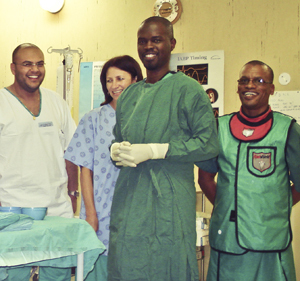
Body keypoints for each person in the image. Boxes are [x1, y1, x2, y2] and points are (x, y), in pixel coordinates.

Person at [109, 17, 219, 281]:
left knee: (168, 263)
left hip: (168, 200)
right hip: (130, 197)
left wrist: (158, 150)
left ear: (171, 43)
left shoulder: (189, 90)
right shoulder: (129, 96)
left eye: (156, 39)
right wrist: (115, 152)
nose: (149, 46)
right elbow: (119, 138)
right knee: (127, 260)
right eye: (143, 41)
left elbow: (208, 144)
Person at [198, 60, 300, 281]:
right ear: (237, 87)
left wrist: (273, 209)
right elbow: (205, 178)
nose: (250, 85)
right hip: (227, 243)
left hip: (270, 243)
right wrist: (230, 205)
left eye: (259, 81)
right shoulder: (219, 128)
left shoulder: (288, 130)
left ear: (271, 89)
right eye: (244, 80)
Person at [0, 43, 78, 281]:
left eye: (39, 63)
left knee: (58, 275)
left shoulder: (57, 103)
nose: (35, 69)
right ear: (13, 68)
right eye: (27, 64)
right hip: (11, 212)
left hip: (56, 210)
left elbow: (72, 153)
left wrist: (73, 193)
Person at [64, 55, 143, 280]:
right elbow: (85, 170)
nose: (114, 85)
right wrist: (91, 213)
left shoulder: (145, 118)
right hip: (101, 208)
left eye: (121, 78)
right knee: (99, 269)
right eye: (109, 80)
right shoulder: (93, 120)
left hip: (137, 210)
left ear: (135, 79)